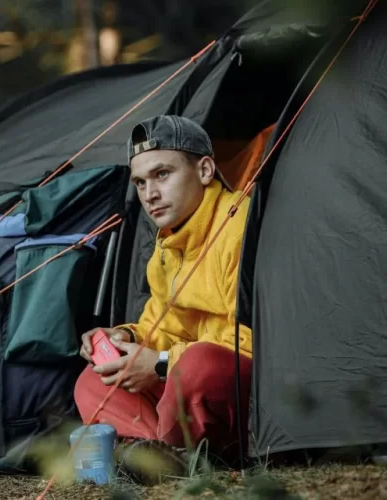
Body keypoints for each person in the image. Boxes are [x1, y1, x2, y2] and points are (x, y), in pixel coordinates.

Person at [74, 115, 253, 482]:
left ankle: (156, 454)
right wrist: (125, 339)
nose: (149, 194)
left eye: (162, 174)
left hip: (242, 389)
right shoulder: (169, 245)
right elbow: (161, 326)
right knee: (93, 380)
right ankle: (162, 457)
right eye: (140, 182)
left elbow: (258, 339)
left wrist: (161, 364)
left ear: (204, 170)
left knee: (199, 364)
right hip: (183, 391)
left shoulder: (242, 227)